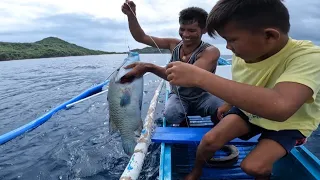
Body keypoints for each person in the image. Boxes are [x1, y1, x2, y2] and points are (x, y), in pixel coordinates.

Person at [165, 0, 320, 179]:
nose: (228, 47)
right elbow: (243, 81)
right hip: (252, 112)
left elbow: (281, 107)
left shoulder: (310, 58)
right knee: (208, 141)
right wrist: (227, 105)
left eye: (232, 40)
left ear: (269, 35)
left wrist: (199, 77)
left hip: (290, 122)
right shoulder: (244, 52)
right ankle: (196, 171)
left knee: (253, 166)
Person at [120, 1, 223, 126]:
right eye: (182, 29)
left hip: (204, 97)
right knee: (171, 115)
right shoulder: (173, 44)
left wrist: (149, 67)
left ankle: (214, 117)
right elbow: (141, 37)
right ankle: (183, 119)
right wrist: (131, 16)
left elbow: (189, 77)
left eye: (191, 30)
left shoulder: (210, 51)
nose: (185, 34)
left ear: (204, 30)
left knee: (225, 110)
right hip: (179, 97)